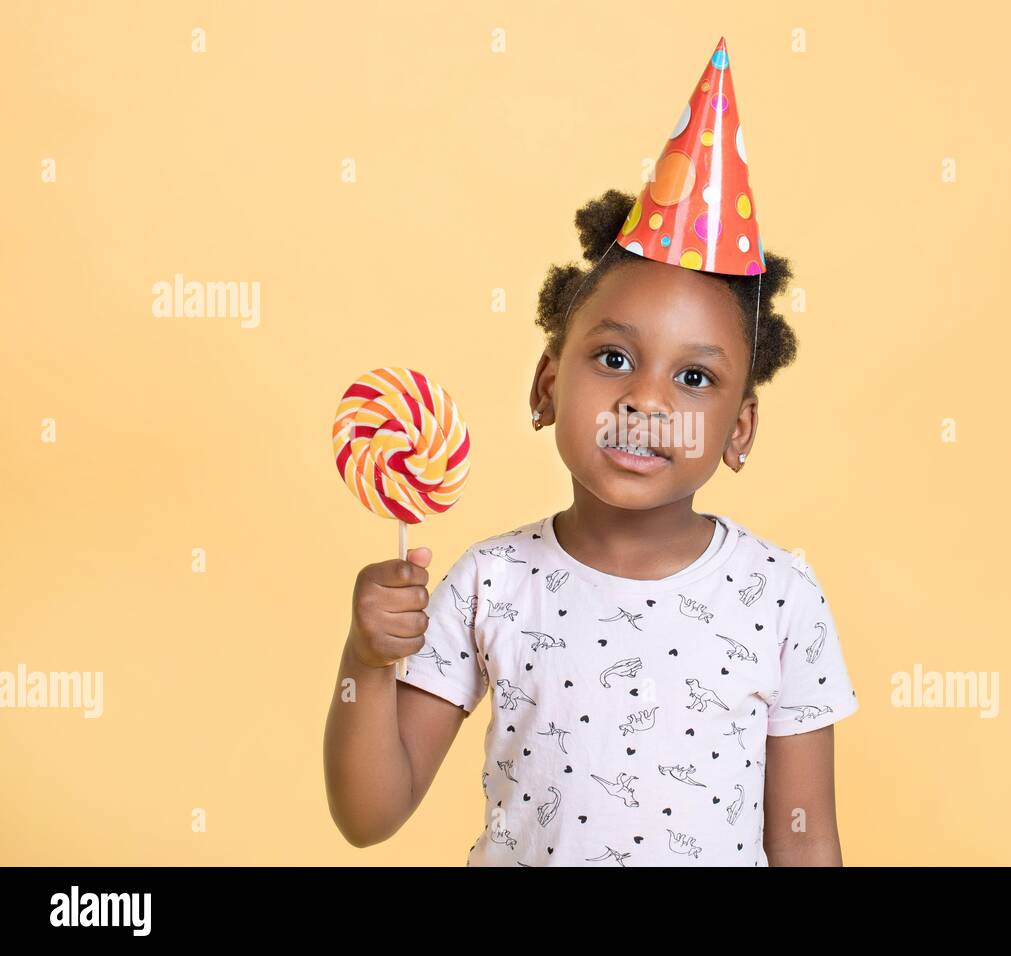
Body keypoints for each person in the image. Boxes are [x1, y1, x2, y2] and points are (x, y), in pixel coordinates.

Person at [324, 37, 859, 866]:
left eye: (692, 376)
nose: (646, 400)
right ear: (546, 387)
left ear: (739, 430)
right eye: (614, 359)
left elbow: (807, 837)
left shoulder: (780, 598)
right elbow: (369, 814)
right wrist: (365, 660)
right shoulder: (491, 586)